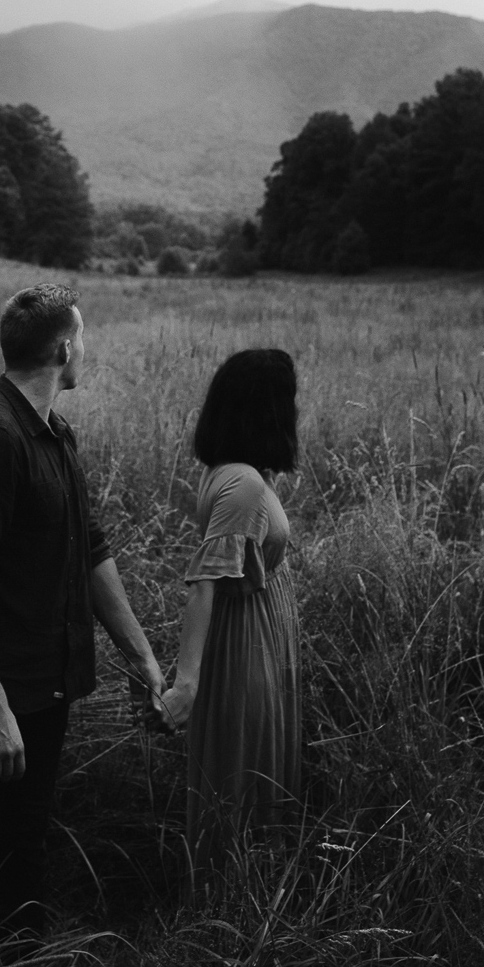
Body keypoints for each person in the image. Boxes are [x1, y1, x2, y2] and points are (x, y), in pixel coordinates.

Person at [0, 283, 164, 940]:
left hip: (42, 686)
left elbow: (90, 549)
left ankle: (20, 953)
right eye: (82, 337)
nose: (86, 349)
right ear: (63, 347)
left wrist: (139, 656)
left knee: (23, 846)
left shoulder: (54, 433)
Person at [160, 348, 302, 882]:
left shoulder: (242, 473)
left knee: (252, 765)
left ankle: (248, 890)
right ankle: (232, 899)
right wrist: (187, 685)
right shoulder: (242, 483)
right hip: (246, 643)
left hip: (260, 634)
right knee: (243, 769)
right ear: (268, 409)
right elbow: (206, 582)